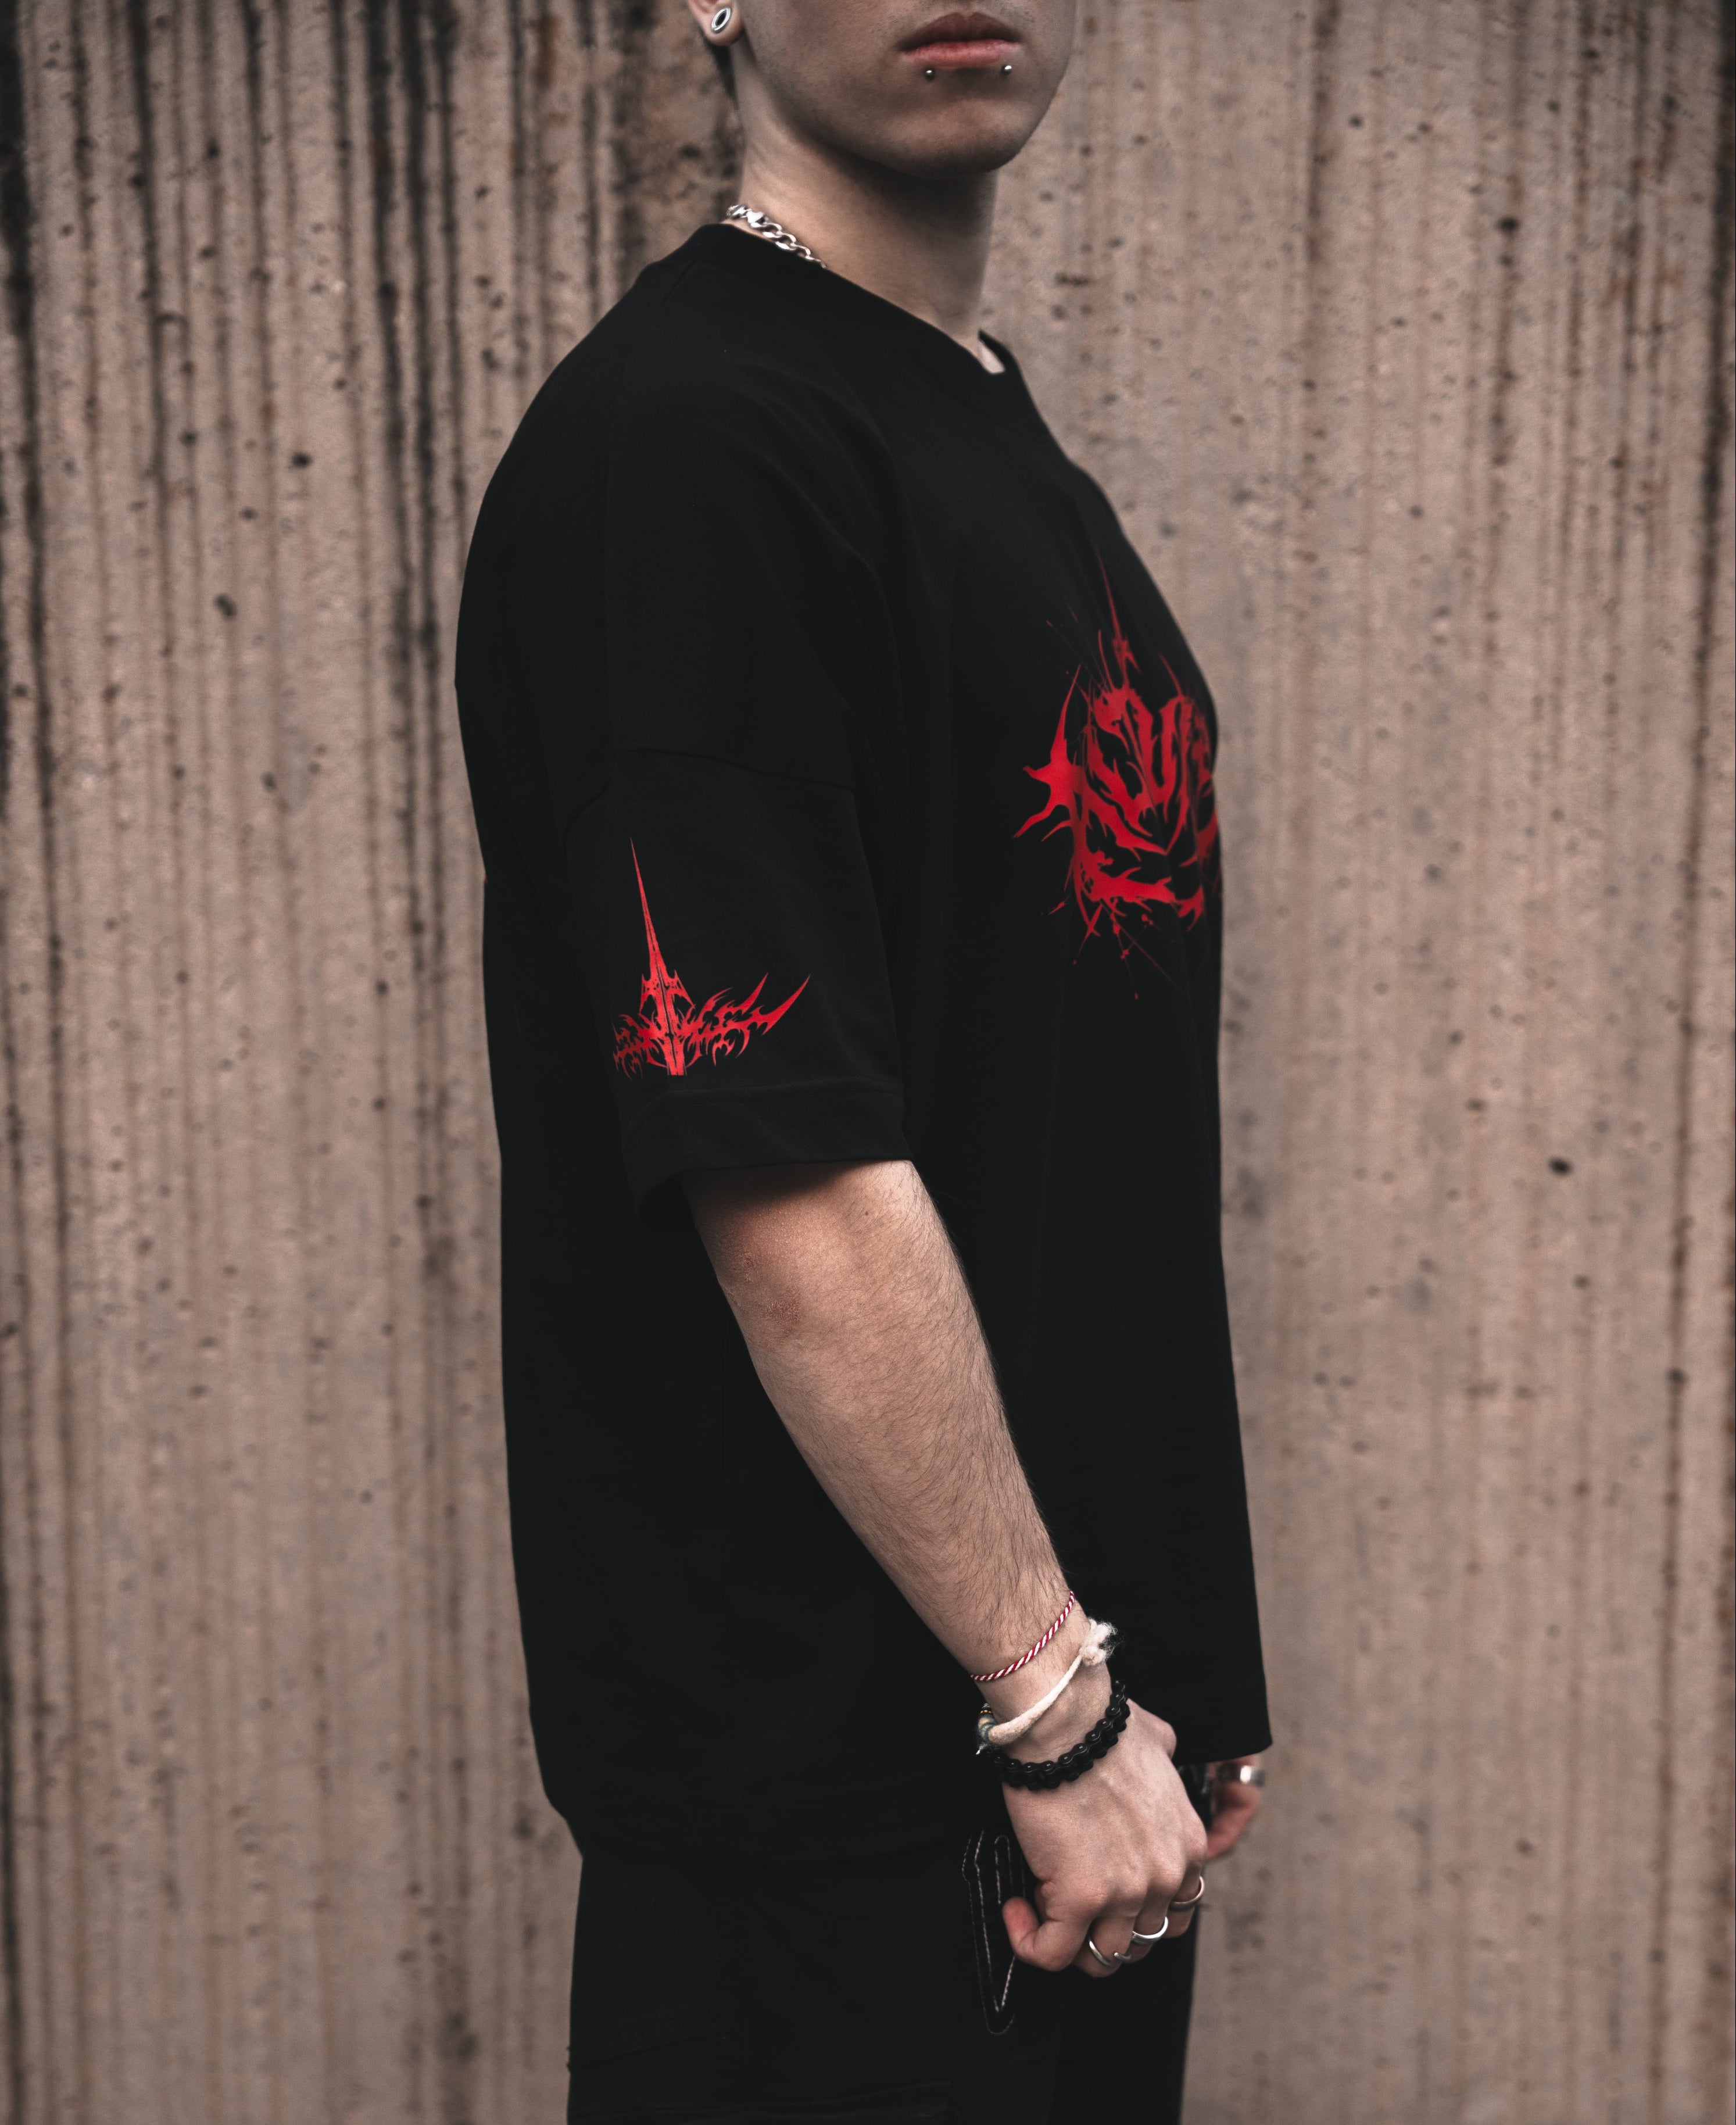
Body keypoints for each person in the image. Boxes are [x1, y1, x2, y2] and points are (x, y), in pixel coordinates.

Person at [453, 3, 1270, 2116]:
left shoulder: (971, 428)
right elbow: (779, 1162)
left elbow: (1045, 1110)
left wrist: (1148, 1683)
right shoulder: (698, 447)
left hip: (1052, 1790)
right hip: (852, 1815)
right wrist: (1053, 1704)